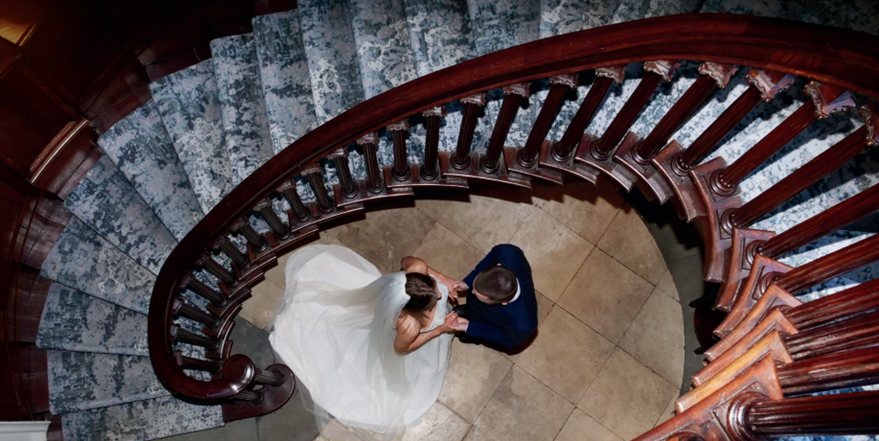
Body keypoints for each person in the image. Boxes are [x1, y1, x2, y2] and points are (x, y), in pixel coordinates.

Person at [268, 244, 459, 434]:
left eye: (434, 287)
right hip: (425, 333)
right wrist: (437, 330)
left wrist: (442, 278)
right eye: (436, 296)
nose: (441, 294)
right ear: (415, 310)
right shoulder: (410, 326)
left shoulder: (418, 269)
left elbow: (405, 261)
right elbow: (400, 349)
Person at [451, 244, 538, 351]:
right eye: (474, 287)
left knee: (478, 326)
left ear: (504, 303)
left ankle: (473, 336)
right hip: (484, 309)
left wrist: (471, 327)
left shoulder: (523, 324)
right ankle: (471, 312)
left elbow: (508, 340)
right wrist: (467, 283)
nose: (472, 291)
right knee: (474, 305)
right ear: (499, 266)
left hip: (492, 320)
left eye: (479, 295)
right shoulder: (507, 252)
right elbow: (487, 262)